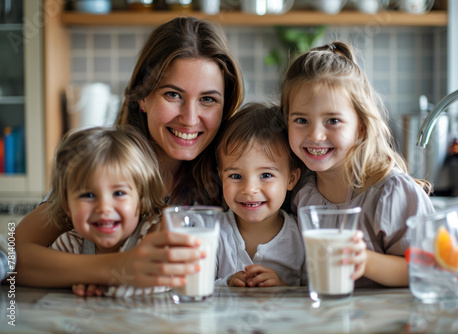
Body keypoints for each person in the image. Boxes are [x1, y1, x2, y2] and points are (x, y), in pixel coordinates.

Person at [14, 16, 244, 289]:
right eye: (173, 95)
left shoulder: (237, 175)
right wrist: (118, 268)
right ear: (142, 97)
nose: (190, 118)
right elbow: (13, 257)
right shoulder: (102, 165)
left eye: (208, 99)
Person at [280, 41, 435, 288]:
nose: (316, 135)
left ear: (360, 127)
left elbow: (429, 267)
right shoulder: (301, 193)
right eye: (301, 120)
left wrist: (365, 260)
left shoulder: (390, 192)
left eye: (332, 120)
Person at [47, 127, 168, 297]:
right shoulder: (70, 244)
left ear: (141, 199)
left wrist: (103, 280)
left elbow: (164, 279)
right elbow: (41, 276)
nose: (104, 207)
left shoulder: (150, 234)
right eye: (88, 195)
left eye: (119, 193)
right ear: (67, 207)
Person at [214, 103, 306, 287]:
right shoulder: (212, 233)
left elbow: (314, 295)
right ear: (221, 176)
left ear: (291, 179)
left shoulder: (303, 237)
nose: (249, 189)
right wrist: (227, 284)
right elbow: (194, 288)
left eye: (265, 175)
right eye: (235, 176)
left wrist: (283, 288)